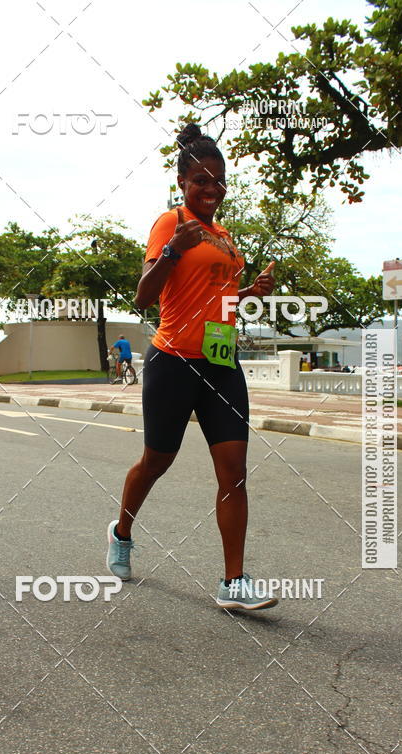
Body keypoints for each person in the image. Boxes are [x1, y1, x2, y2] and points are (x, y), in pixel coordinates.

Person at [106, 122, 278, 611]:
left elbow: (215, 299)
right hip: (174, 361)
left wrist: (247, 294)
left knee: (234, 473)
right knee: (157, 461)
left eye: (219, 180)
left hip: (222, 362)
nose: (212, 189)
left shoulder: (223, 236)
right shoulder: (171, 223)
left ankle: (234, 582)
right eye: (201, 180)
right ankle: (121, 532)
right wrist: (173, 250)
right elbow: (145, 295)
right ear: (183, 182)